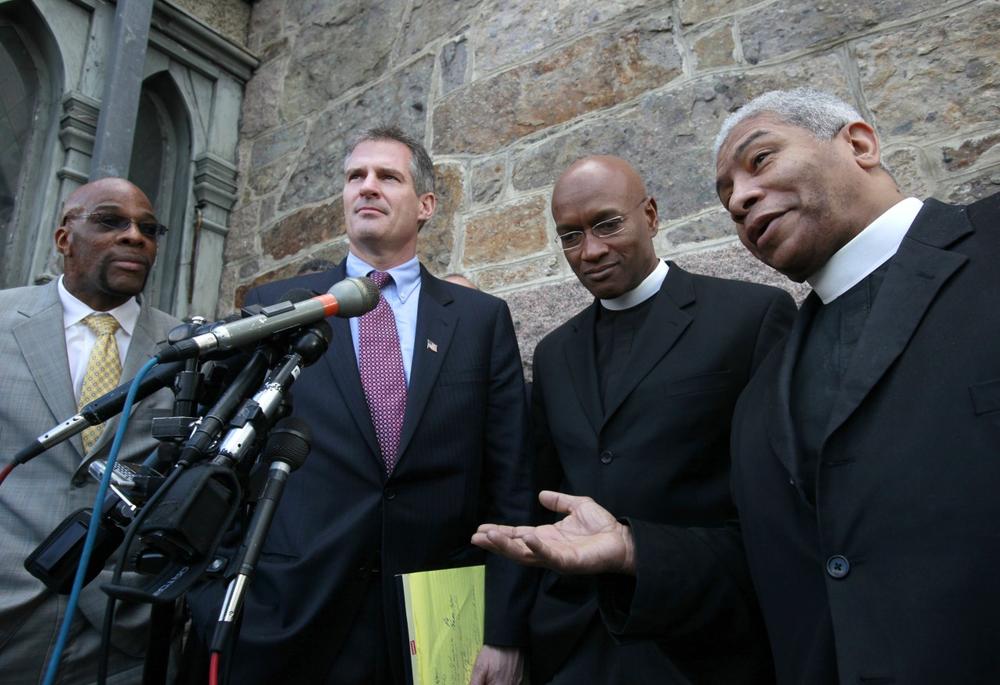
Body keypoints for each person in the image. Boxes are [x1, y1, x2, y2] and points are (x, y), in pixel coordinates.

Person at [475, 88, 1000, 684]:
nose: (742, 197)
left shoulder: (753, 320)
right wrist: (629, 551)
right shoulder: (789, 364)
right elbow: (785, 544)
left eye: (760, 160)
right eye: (727, 195)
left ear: (859, 143)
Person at [190, 126, 534, 684]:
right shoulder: (279, 307)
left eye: (387, 177)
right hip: (289, 613)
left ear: (425, 205)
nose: (367, 187)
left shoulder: (478, 319)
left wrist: (504, 629)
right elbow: (228, 462)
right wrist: (215, 593)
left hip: (432, 621)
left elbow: (511, 479)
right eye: (356, 177)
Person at [521, 155, 794, 684]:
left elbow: (781, 508)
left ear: (649, 215)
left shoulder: (749, 316)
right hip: (577, 644)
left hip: (703, 643)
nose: (590, 250)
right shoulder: (553, 354)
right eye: (570, 236)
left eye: (607, 224)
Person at [0, 178, 179, 684]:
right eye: (109, 221)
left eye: (148, 228)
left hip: (122, 633)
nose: (134, 237)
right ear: (63, 238)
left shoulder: (191, 347)